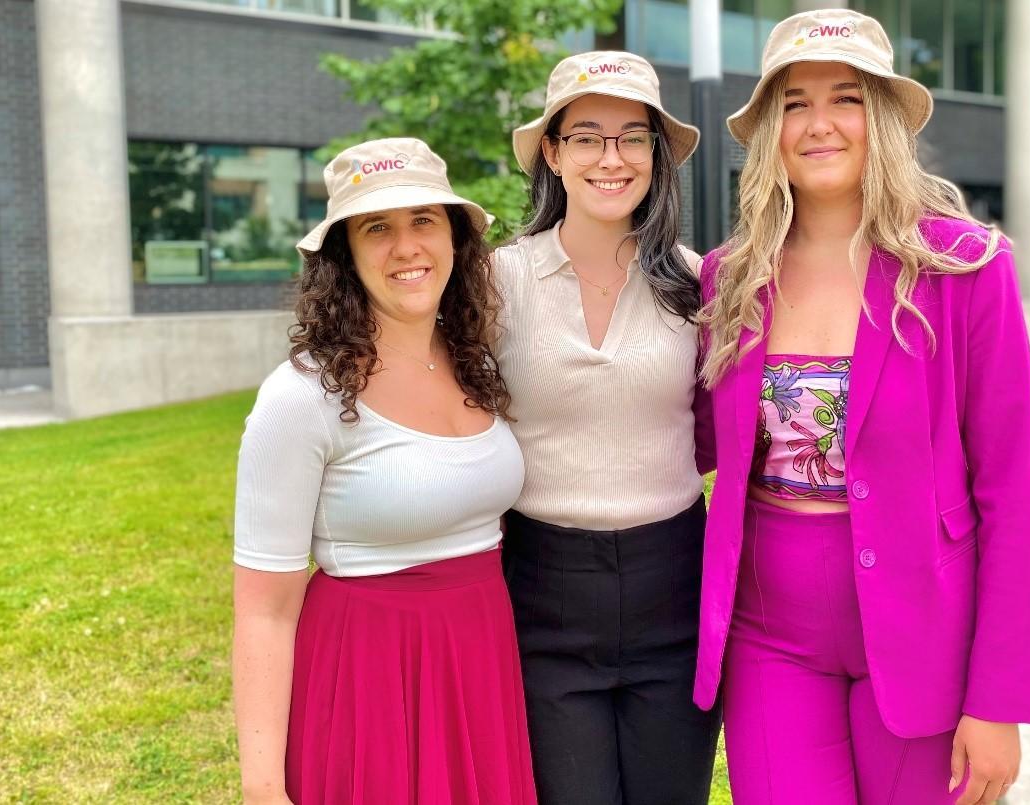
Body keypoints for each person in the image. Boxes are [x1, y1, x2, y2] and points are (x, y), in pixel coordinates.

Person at [692, 10, 1030, 805]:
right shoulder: (728, 277)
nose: (818, 124)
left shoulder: (964, 268)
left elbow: (1011, 492)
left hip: (925, 632)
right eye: (792, 103)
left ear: (879, 117)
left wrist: (998, 700)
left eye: (844, 97)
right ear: (770, 131)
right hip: (769, 633)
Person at [231, 137, 536, 805]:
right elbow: (264, 611)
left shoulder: (475, 365)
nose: (406, 247)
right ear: (343, 255)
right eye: (378, 227)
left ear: (454, 240)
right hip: (370, 678)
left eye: (423, 220)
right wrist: (261, 789)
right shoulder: (301, 398)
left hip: (480, 664)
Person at [492, 51, 721, 805]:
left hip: (674, 588)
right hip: (542, 591)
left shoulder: (699, 285)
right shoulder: (494, 281)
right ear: (553, 154)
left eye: (633, 137)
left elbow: (721, 426)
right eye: (586, 136)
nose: (610, 158)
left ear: (656, 156)